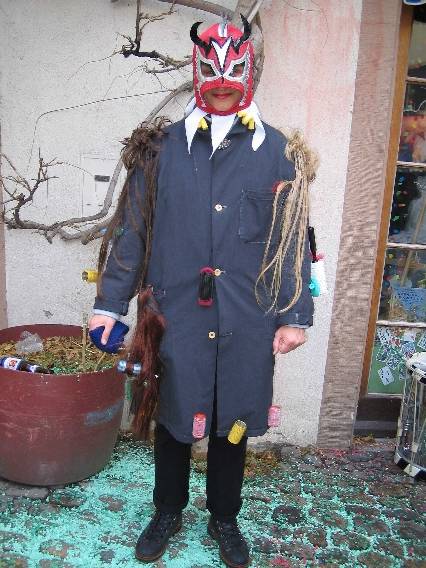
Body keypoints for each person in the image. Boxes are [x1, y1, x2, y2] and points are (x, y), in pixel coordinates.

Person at [89, 16, 314, 568]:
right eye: (211, 75)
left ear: (248, 74)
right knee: (173, 414)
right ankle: (167, 509)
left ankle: (224, 516)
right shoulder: (159, 150)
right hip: (175, 312)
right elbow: (131, 231)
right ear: (197, 73)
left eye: (232, 75)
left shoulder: (278, 153)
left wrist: (294, 315)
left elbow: (292, 242)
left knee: (232, 421)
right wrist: (109, 305)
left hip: (248, 316)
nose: (221, 85)